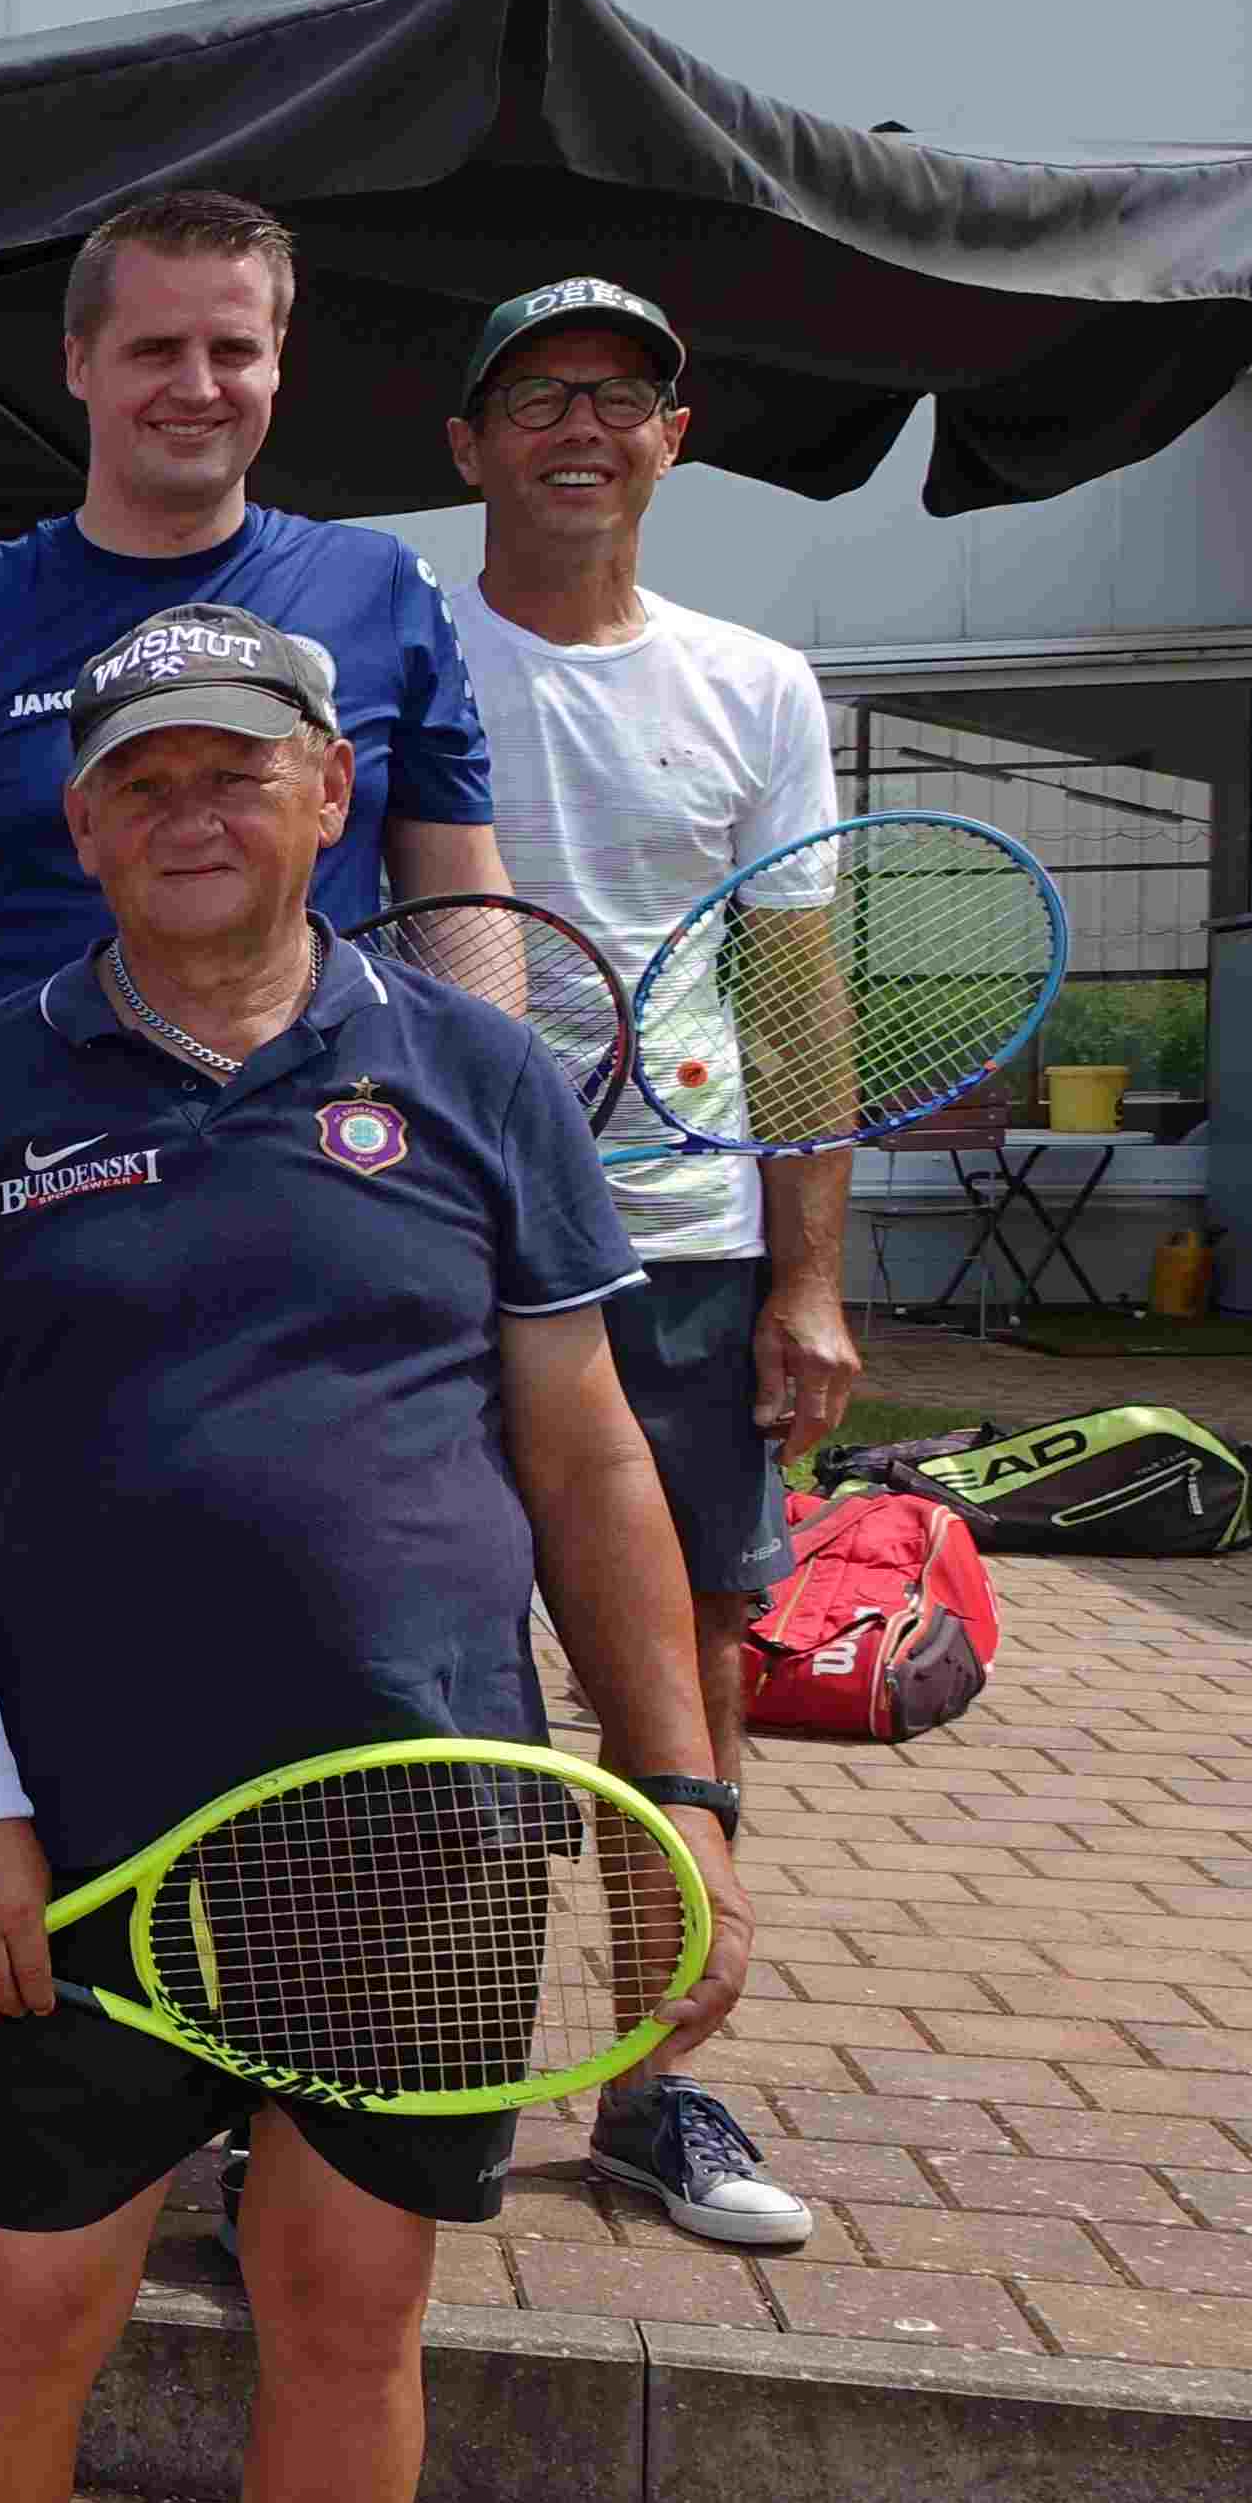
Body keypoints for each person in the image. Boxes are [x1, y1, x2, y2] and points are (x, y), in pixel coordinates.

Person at [0, 606, 729, 2503]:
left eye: (236, 769)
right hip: (80, 1849)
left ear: (331, 793)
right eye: (135, 782)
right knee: (23, 2312)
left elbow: (581, 1459)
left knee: (348, 2313)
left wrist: (678, 1797)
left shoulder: (467, 1072)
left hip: (423, 1830)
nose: (184, 809)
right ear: (77, 824)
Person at [447, 277, 840, 2255]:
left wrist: (809, 1278)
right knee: (424, 1669)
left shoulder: (760, 686)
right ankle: (396, 2074)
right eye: (536, 397)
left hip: (681, 1251)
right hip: (435, 1241)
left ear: (675, 437)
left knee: (671, 1673)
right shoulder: (405, 659)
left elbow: (799, 998)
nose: (579, 426)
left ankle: (650, 2092)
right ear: (470, 446)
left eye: (618, 395)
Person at [0, 190, 508, 1185]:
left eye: (232, 350)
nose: (197, 385)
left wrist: (473, 1141)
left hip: (328, 1175)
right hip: (27, 1187)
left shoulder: (383, 590)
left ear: (278, 361)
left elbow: (465, 907)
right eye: (153, 350)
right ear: (78, 364)